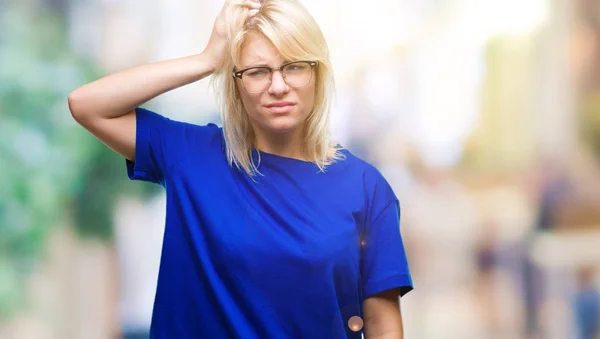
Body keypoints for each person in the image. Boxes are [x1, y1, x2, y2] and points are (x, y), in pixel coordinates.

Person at [68, 0, 413, 338]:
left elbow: (383, 326)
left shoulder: (366, 188)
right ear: (234, 82)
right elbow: (87, 105)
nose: (278, 86)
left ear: (317, 72)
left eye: (294, 66)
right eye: (258, 72)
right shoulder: (189, 156)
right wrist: (206, 60)